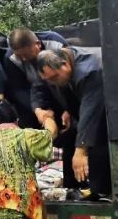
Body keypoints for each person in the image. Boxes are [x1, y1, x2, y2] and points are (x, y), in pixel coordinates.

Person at [35, 48, 111, 196]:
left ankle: (101, 193)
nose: (52, 83)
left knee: (92, 147)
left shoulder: (89, 71)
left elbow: (91, 111)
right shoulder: (62, 70)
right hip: (84, 114)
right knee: (69, 139)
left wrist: (81, 150)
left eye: (54, 78)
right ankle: (72, 188)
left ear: (65, 64)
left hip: (108, 114)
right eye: (48, 80)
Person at [5, 28, 70, 129]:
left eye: (26, 54)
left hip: (62, 87)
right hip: (35, 92)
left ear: (38, 44)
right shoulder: (11, 59)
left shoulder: (56, 44)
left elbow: (69, 76)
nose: (24, 59)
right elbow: (21, 90)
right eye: (19, 56)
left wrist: (69, 108)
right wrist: (38, 111)